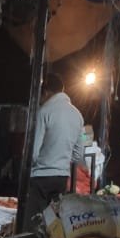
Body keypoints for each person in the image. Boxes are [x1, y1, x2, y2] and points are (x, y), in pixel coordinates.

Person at [28, 72, 85, 219]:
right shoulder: (78, 115)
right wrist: (62, 161)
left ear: (46, 92)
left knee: (35, 222)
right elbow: (79, 152)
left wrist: (39, 163)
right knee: (54, 223)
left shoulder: (44, 111)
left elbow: (33, 152)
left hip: (40, 178)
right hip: (61, 178)